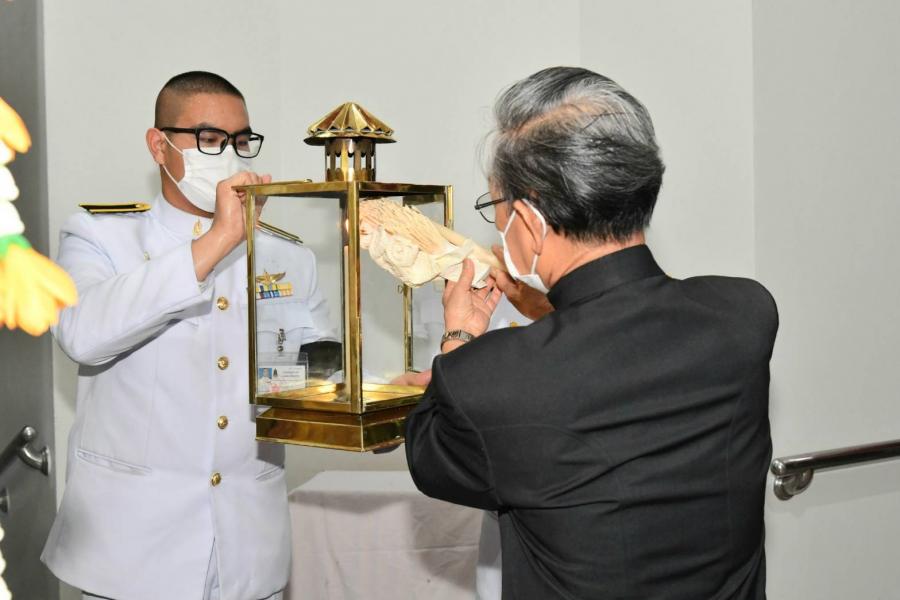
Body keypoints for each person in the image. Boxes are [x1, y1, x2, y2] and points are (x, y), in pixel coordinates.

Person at [404, 66, 778, 599]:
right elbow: (618, 362)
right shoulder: (743, 313)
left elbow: (433, 458)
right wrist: (548, 312)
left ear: (529, 221)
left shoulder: (489, 377)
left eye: (496, 209)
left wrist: (459, 340)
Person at [42, 71, 335, 600]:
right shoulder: (99, 236)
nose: (229, 155)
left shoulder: (288, 256)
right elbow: (81, 335)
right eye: (208, 138)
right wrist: (220, 239)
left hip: (248, 550)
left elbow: (316, 375)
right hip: (129, 555)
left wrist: (376, 399)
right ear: (159, 146)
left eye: (240, 140)